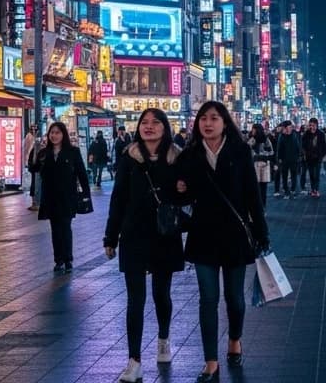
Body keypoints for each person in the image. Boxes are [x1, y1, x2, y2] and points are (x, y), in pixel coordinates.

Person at [176, 101, 268, 383]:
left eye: (214, 118)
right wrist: (180, 190)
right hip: (203, 236)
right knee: (208, 299)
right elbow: (181, 198)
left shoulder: (240, 152)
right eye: (203, 118)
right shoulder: (190, 155)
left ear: (225, 122)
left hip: (235, 236)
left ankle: (235, 340)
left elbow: (253, 195)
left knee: (235, 299)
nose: (208, 123)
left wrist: (262, 234)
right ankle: (210, 362)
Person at [104, 108, 186, 383]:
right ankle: (134, 360)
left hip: (164, 234)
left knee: (161, 294)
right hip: (134, 234)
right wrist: (110, 236)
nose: (149, 127)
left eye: (155, 122)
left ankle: (163, 338)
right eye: (144, 123)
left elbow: (186, 197)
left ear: (165, 127)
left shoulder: (177, 157)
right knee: (135, 299)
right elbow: (118, 199)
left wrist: (185, 189)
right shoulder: (129, 158)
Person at [34, 121, 91, 273]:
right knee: (55, 229)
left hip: (67, 196)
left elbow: (81, 173)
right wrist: (35, 150)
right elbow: (34, 168)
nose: (54, 135)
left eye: (57, 132)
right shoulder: (44, 153)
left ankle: (68, 259)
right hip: (50, 197)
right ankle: (58, 259)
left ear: (63, 134)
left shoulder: (72, 152)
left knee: (65, 228)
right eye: (52, 133)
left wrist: (86, 193)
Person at [247, 123, 273, 209]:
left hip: (264, 165)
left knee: (263, 188)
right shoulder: (252, 139)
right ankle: (258, 207)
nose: (252, 131)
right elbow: (246, 150)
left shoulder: (266, 140)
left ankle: (262, 206)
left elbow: (271, 151)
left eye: (254, 129)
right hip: (255, 165)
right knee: (256, 188)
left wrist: (261, 154)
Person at [273, 120, 301, 199]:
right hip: (284, 160)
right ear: (285, 128)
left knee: (294, 175)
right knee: (284, 176)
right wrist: (279, 159)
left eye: (291, 127)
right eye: (288, 127)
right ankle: (286, 190)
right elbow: (279, 149)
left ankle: (293, 189)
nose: (290, 128)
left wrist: (299, 156)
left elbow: (298, 147)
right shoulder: (281, 136)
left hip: (294, 159)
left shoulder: (295, 135)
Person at [301, 118, 326, 198]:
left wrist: (322, 155)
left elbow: (324, 146)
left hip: (318, 157)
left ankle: (316, 189)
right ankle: (313, 189)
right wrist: (305, 153)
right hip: (309, 158)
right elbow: (303, 145)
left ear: (317, 125)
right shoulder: (306, 134)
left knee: (317, 174)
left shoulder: (321, 134)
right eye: (310, 125)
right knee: (311, 174)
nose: (312, 127)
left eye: (313, 125)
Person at [26, 125, 44, 211]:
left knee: (36, 186)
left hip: (38, 170)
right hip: (35, 169)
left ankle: (37, 203)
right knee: (34, 186)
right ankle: (35, 202)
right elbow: (32, 159)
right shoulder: (32, 141)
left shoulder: (41, 149)